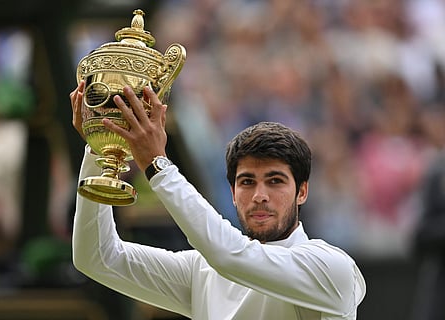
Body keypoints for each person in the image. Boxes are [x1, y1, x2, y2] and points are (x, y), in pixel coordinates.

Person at [70, 81, 366, 320]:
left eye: (275, 181)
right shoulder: (202, 271)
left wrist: (158, 165)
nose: (260, 196)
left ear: (302, 192)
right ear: (233, 194)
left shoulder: (332, 268)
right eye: (247, 182)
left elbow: (229, 256)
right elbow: (96, 257)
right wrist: (101, 147)